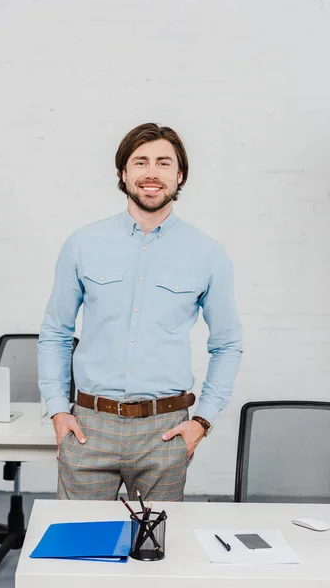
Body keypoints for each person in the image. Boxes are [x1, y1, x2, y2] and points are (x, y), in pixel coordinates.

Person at [38, 122, 242, 501]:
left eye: (164, 163)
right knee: (81, 553)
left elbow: (228, 344)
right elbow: (55, 334)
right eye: (140, 162)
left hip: (163, 433)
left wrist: (202, 421)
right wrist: (56, 411)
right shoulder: (83, 244)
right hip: (88, 428)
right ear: (123, 173)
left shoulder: (208, 254)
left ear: (179, 175)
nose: (152, 173)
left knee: (155, 555)